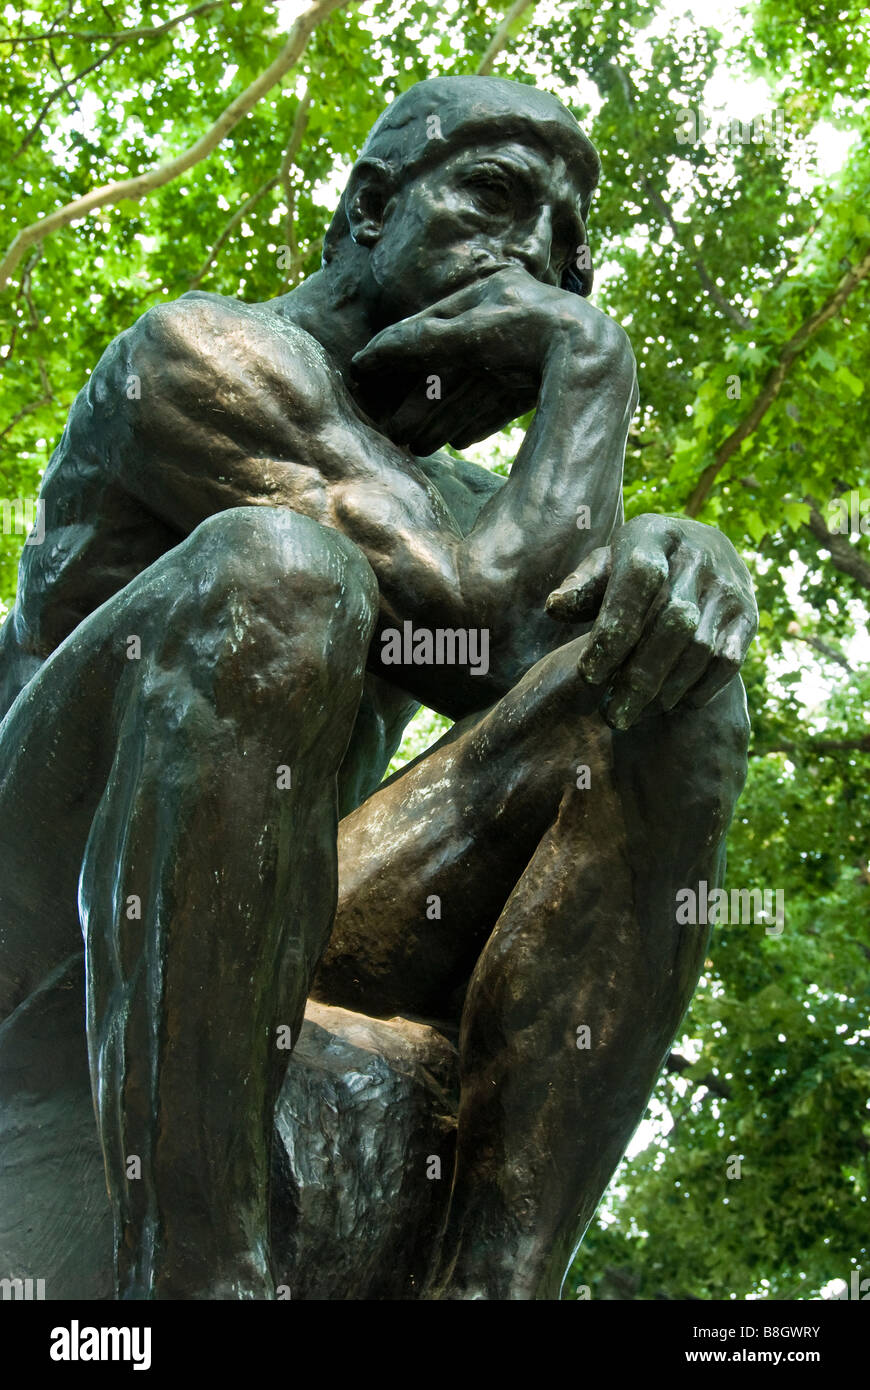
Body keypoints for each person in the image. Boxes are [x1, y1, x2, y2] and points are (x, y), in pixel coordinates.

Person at [0, 76, 756, 1299]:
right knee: (280, 572)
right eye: (499, 198)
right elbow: (485, 613)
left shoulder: (452, 508)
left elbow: (536, 653)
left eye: (572, 253)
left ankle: (492, 1286)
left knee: (667, 689)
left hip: (276, 905)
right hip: (45, 912)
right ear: (368, 208)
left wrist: (687, 565)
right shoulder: (201, 357)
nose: (540, 265)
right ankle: (196, 1276)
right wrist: (593, 362)